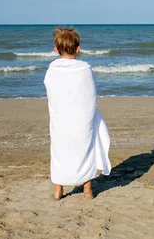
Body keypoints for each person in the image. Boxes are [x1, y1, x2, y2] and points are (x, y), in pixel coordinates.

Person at [43, 27, 111, 200]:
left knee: (59, 150)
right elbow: (91, 96)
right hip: (82, 118)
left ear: (56, 49)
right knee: (86, 149)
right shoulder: (85, 69)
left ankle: (58, 190)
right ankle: (87, 190)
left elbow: (52, 92)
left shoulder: (52, 70)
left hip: (61, 118)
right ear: (78, 48)